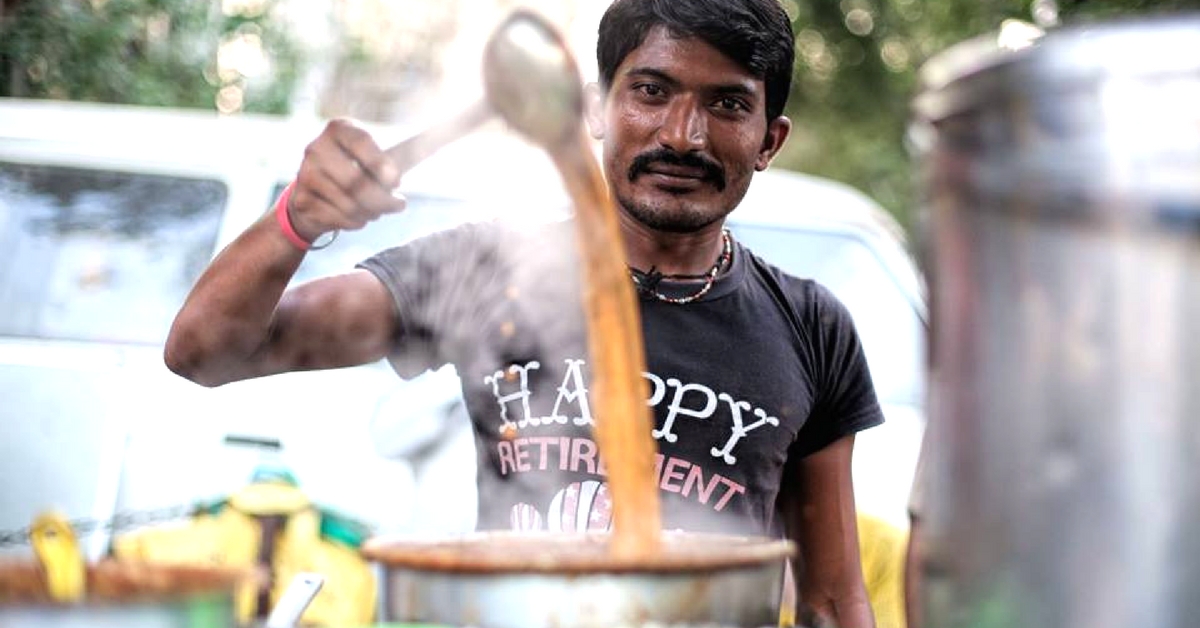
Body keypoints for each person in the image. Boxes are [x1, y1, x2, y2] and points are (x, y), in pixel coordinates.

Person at [165, 0, 882, 625]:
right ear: (599, 108)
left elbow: (830, 599)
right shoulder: (484, 273)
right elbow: (206, 352)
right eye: (651, 91)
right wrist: (296, 218)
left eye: (726, 104)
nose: (682, 135)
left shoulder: (811, 327)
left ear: (769, 141)